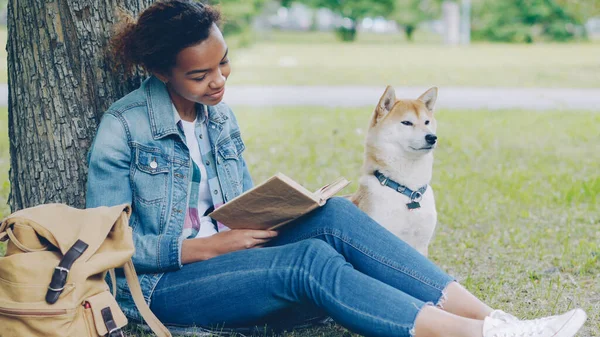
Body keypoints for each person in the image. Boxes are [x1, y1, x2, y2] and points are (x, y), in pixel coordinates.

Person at [85, 1, 587, 336]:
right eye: (199, 75)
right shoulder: (125, 126)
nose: (218, 82)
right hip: (160, 286)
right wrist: (204, 247)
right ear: (158, 71)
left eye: (224, 64)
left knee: (339, 218)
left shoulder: (219, 116)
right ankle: (483, 336)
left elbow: (232, 210)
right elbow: (104, 245)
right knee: (307, 261)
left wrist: (284, 208)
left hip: (234, 255)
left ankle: (503, 321)